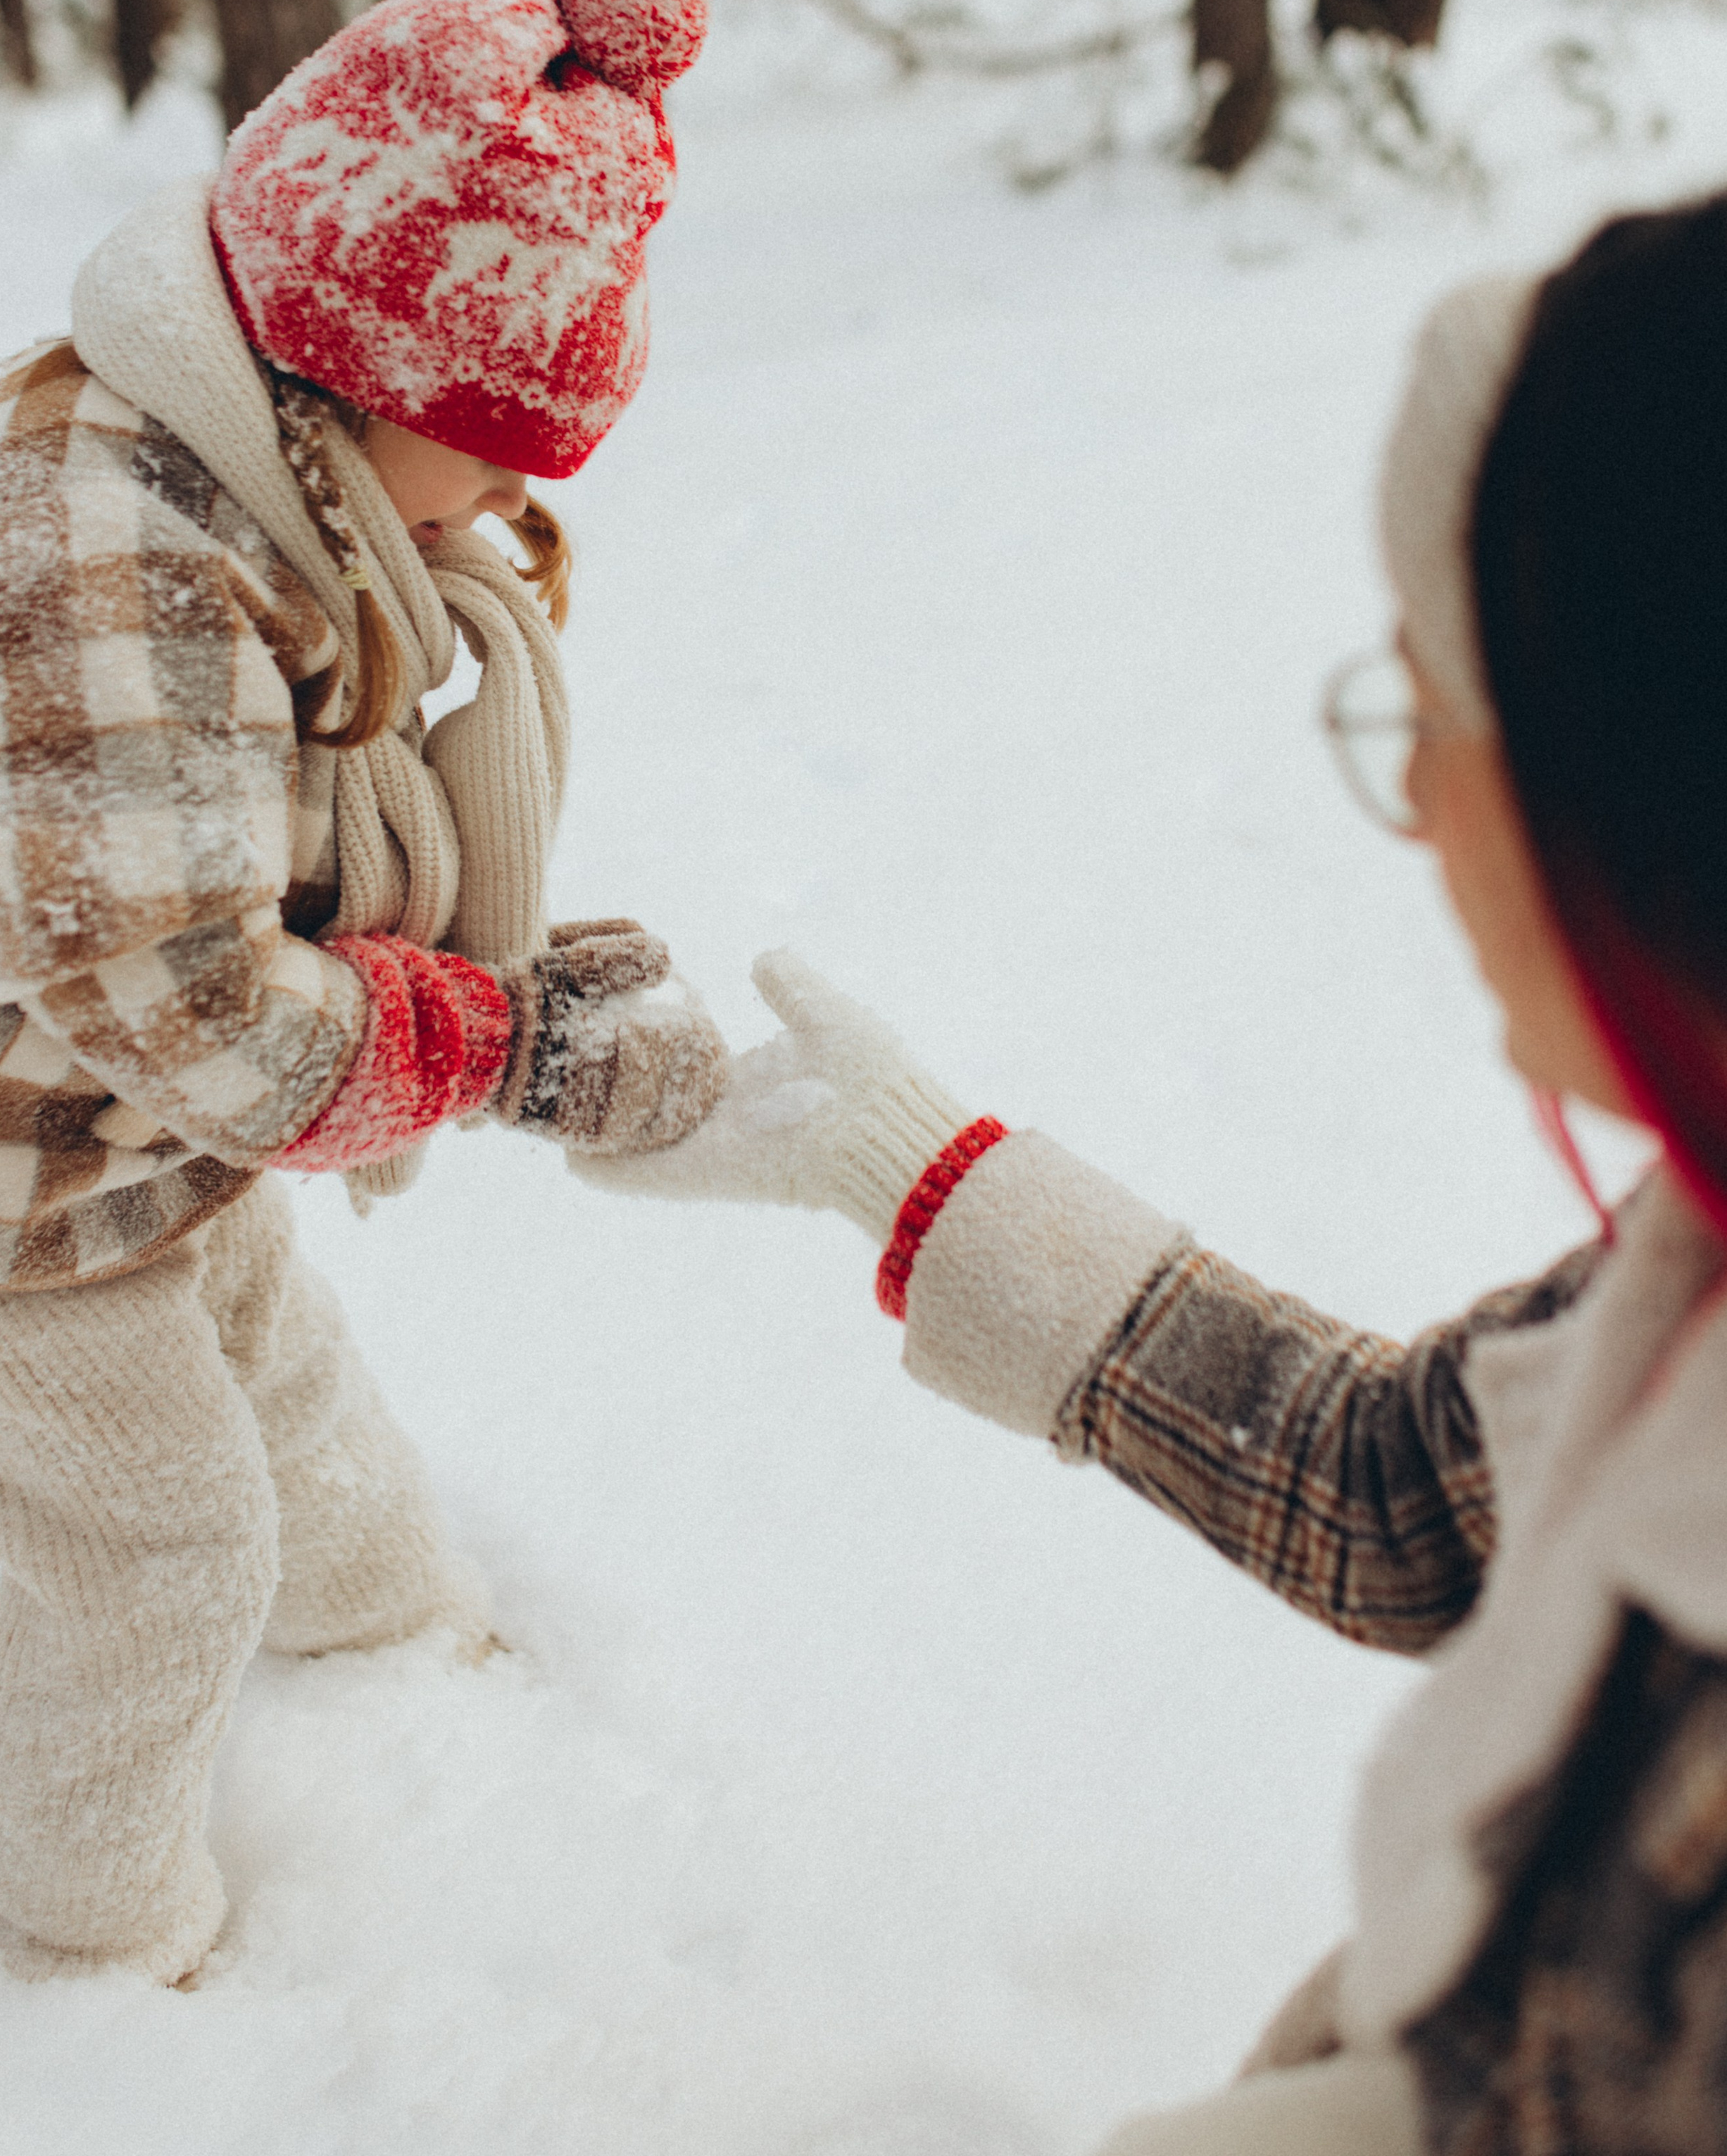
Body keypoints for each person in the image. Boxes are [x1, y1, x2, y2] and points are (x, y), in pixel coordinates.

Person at [584, 195, 1727, 2152]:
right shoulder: (1689, 1265)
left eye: (1441, 714)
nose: (1416, 805)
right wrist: (918, 1175)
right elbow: (1402, 1490)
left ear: (1637, 789)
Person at [0, 0, 729, 1984]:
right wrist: (508, 1047)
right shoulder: (91, 567)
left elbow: (224, 891)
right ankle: (81, 1946)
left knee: (283, 1379)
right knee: (154, 1553)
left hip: (114, 1133)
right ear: (351, 368)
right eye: (498, 436)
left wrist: (496, 1001)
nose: (514, 494)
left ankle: (391, 1648)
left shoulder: (236, 465)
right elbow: (195, 1004)